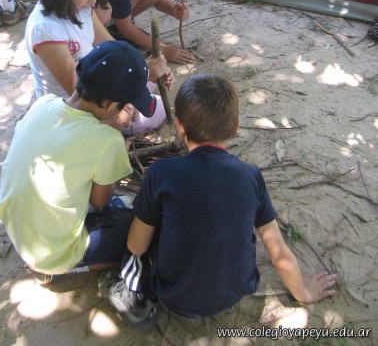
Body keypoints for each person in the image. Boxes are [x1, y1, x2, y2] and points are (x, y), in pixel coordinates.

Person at [99, 73, 337, 323]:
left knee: (138, 222)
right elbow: (277, 250)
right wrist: (303, 292)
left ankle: (133, 293)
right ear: (236, 125)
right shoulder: (251, 176)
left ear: (179, 126)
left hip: (173, 295)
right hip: (232, 294)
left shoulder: (161, 172)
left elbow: (137, 246)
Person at [0, 40, 158, 307]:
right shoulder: (107, 141)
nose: (126, 110)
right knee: (139, 229)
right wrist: (116, 147)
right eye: (125, 105)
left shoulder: (44, 103)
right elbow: (99, 201)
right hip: (50, 252)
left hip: (18, 227)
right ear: (111, 104)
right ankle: (65, 268)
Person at [25, 0, 171, 133]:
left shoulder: (78, 7)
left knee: (151, 86)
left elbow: (113, 48)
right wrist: (133, 90)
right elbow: (78, 93)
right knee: (158, 111)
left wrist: (144, 70)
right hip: (73, 110)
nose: (93, 0)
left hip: (97, 87)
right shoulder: (46, 30)